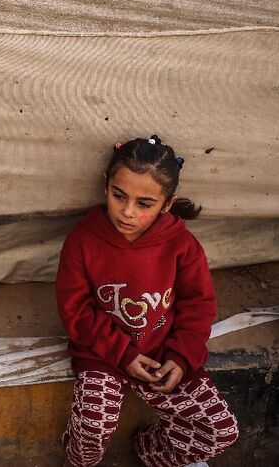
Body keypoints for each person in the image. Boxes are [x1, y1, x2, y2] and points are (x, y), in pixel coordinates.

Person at [56, 136, 239, 467]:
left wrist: (182, 357)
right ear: (106, 186)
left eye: (144, 204)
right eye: (119, 196)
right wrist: (122, 354)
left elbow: (198, 304)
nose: (127, 212)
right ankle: (77, 462)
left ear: (166, 204)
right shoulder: (83, 239)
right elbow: (76, 311)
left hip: (160, 354)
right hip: (104, 354)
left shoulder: (181, 245)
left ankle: (148, 450)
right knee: (92, 427)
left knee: (221, 430)